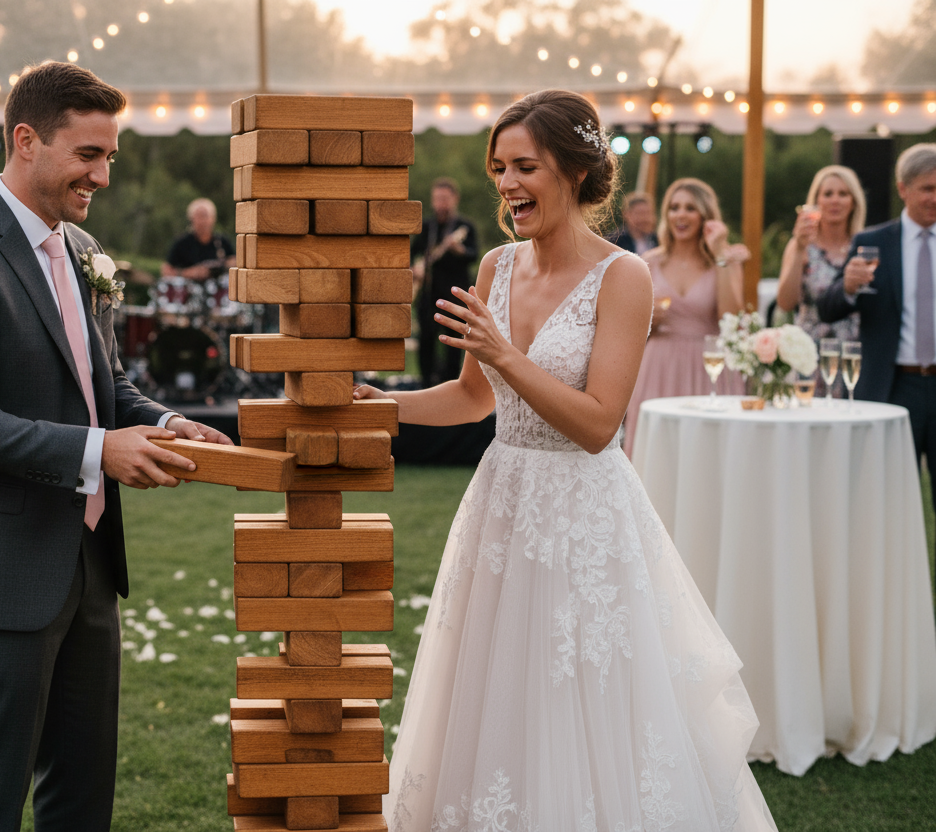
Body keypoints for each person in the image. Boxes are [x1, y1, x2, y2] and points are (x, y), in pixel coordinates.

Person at [357, 90, 776, 832]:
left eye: (525, 166)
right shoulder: (494, 266)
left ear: (576, 172)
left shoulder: (624, 277)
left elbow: (597, 424)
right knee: (497, 689)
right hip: (503, 499)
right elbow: (472, 398)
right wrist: (381, 404)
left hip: (585, 514)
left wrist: (503, 355)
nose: (508, 184)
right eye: (499, 168)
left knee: (584, 690)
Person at [0, 61, 231, 831]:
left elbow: (103, 386)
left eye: (110, 155)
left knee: (83, 794)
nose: (103, 174)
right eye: (88, 154)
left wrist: (165, 421)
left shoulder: (81, 250)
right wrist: (98, 452)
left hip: (86, 566)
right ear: (25, 141)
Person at [819, 142, 936, 519]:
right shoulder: (873, 242)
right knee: (885, 498)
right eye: (928, 188)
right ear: (903, 188)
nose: (935, 197)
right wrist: (848, 287)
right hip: (892, 385)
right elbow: (828, 307)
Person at [623, 177, 747, 456]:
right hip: (659, 366)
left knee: (707, 453)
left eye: (690, 208)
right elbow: (629, 333)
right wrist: (648, 320)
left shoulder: (725, 261)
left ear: (705, 215)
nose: (680, 215)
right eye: (674, 207)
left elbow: (731, 320)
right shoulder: (648, 262)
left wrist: (719, 254)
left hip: (710, 366)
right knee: (657, 453)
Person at [776, 165, 866, 395]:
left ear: (854, 201)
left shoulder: (866, 247)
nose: (835, 200)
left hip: (855, 354)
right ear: (815, 202)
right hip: (811, 354)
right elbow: (785, 303)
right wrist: (798, 248)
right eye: (828, 194)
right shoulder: (803, 247)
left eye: (843, 194)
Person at [412, 177, 479, 387]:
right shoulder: (427, 226)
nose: (441, 203)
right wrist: (415, 269)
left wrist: (458, 249)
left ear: (454, 200)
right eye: (437, 199)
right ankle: (426, 384)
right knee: (425, 342)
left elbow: (473, 255)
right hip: (428, 295)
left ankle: (451, 384)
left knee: (454, 342)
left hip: (454, 296)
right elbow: (411, 253)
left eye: (445, 199)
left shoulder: (464, 226)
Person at [161, 197, 236, 281]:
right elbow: (166, 270)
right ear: (191, 218)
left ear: (213, 218)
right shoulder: (182, 243)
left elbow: (234, 261)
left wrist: (222, 266)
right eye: (198, 216)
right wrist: (188, 273)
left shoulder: (222, 242)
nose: (202, 221)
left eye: (205, 216)